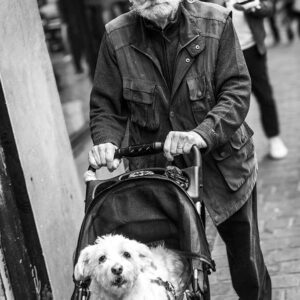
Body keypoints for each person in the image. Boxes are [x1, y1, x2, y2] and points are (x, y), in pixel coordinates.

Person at [88, 0, 271, 299]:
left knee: (247, 266)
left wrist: (202, 134)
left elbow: (236, 89)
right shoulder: (115, 36)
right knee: (181, 272)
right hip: (162, 178)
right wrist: (106, 140)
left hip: (225, 167)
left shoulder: (216, 21)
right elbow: (106, 106)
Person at [206, 0, 288, 159]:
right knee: (225, 101)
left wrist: (255, 6)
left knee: (265, 96)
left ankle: (274, 138)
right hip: (222, 54)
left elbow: (269, 8)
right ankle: (232, 147)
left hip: (251, 50)